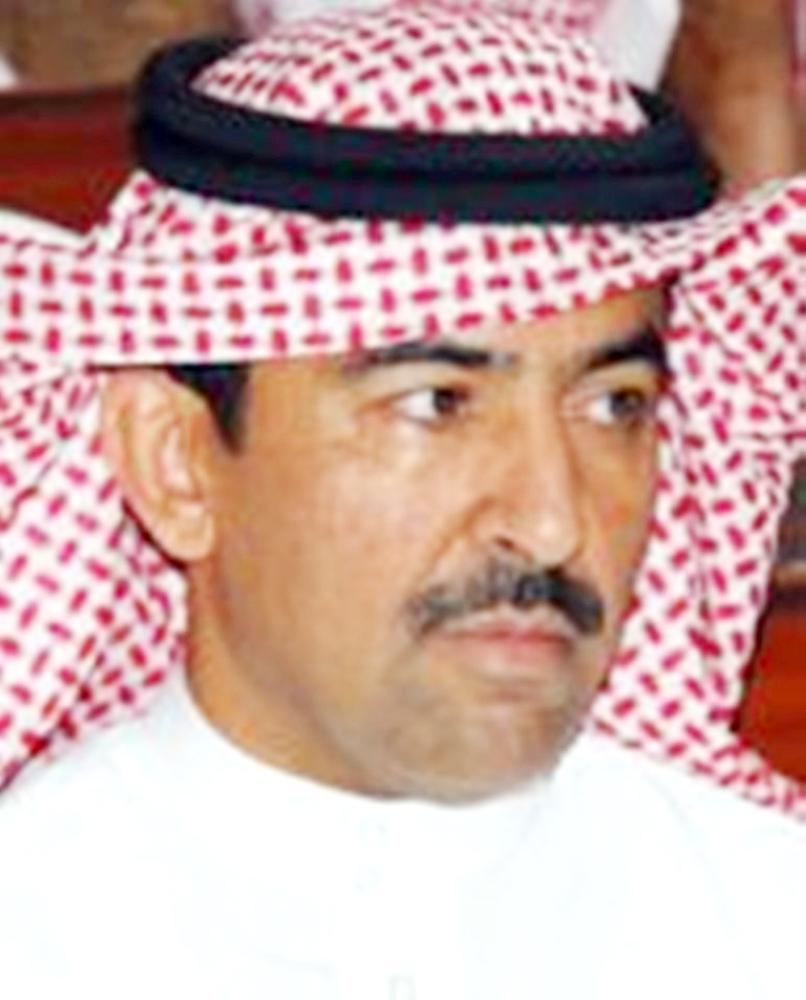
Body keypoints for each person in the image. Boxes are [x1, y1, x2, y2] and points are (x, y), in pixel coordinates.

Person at [0, 4, 803, 998]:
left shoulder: (767, 916)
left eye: (612, 406)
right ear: (175, 462)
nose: (551, 524)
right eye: (435, 404)